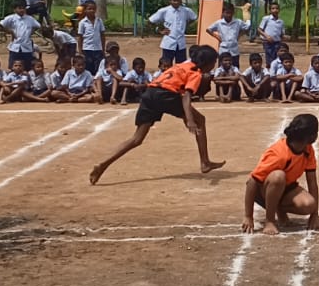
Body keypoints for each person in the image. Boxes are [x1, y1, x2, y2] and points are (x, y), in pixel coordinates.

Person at [89, 45, 224, 184]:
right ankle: (205, 162)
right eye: (213, 62)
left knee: (136, 139)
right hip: (166, 95)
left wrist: (186, 116)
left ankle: (103, 164)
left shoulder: (182, 65)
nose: (214, 66)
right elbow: (186, 96)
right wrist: (189, 119)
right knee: (200, 120)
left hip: (150, 93)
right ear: (206, 63)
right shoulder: (195, 73)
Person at [150, 0, 199, 64]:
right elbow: (151, 21)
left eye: (178, 0)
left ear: (181, 0)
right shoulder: (164, 11)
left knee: (181, 65)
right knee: (166, 64)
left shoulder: (186, 11)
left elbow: (194, 18)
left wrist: (186, 25)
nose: (176, 2)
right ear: (170, 1)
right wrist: (159, 30)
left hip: (181, 43)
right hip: (169, 43)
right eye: (174, 0)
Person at [76, 1, 107, 73]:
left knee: (98, 68)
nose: (92, 10)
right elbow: (80, 37)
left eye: (94, 9)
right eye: (89, 9)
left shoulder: (99, 21)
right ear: (85, 10)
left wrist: (103, 49)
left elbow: (102, 35)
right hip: (87, 49)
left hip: (98, 49)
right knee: (88, 68)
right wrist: (80, 52)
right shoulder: (82, 22)